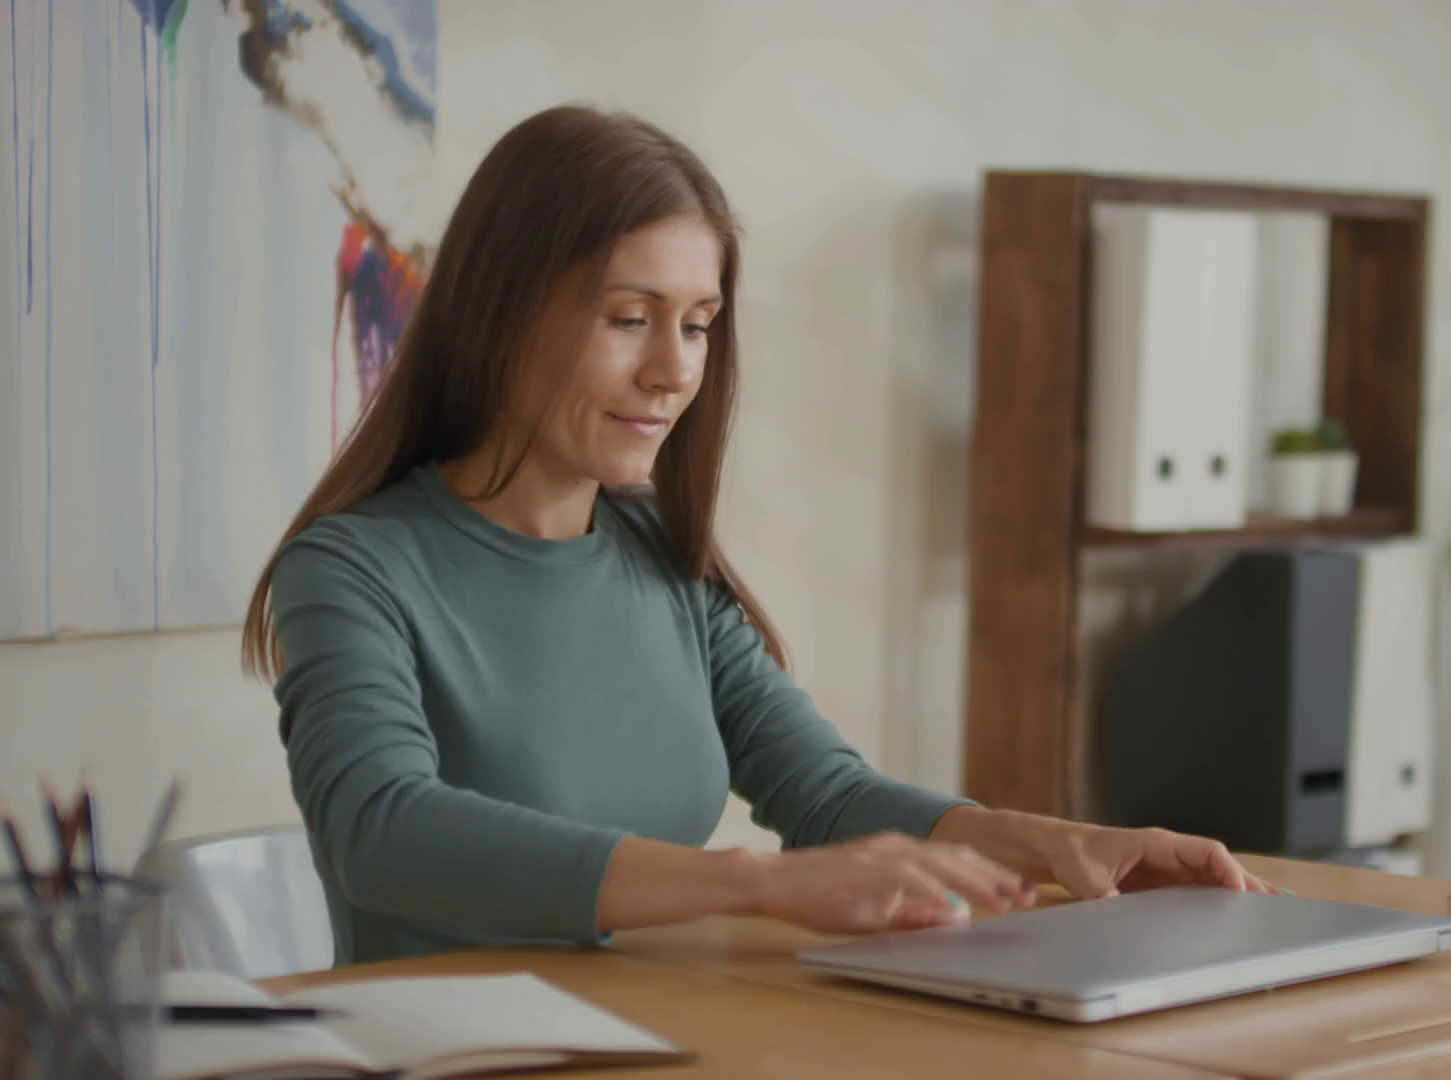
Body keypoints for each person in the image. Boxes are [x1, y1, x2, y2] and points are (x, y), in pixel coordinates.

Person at [242, 105, 1275, 965]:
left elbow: (826, 793)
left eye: (697, 324)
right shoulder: (351, 568)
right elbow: (380, 830)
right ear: (500, 313)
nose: (674, 370)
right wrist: (757, 884)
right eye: (629, 316)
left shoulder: (660, 559)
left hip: (663, 1042)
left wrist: (1066, 843)